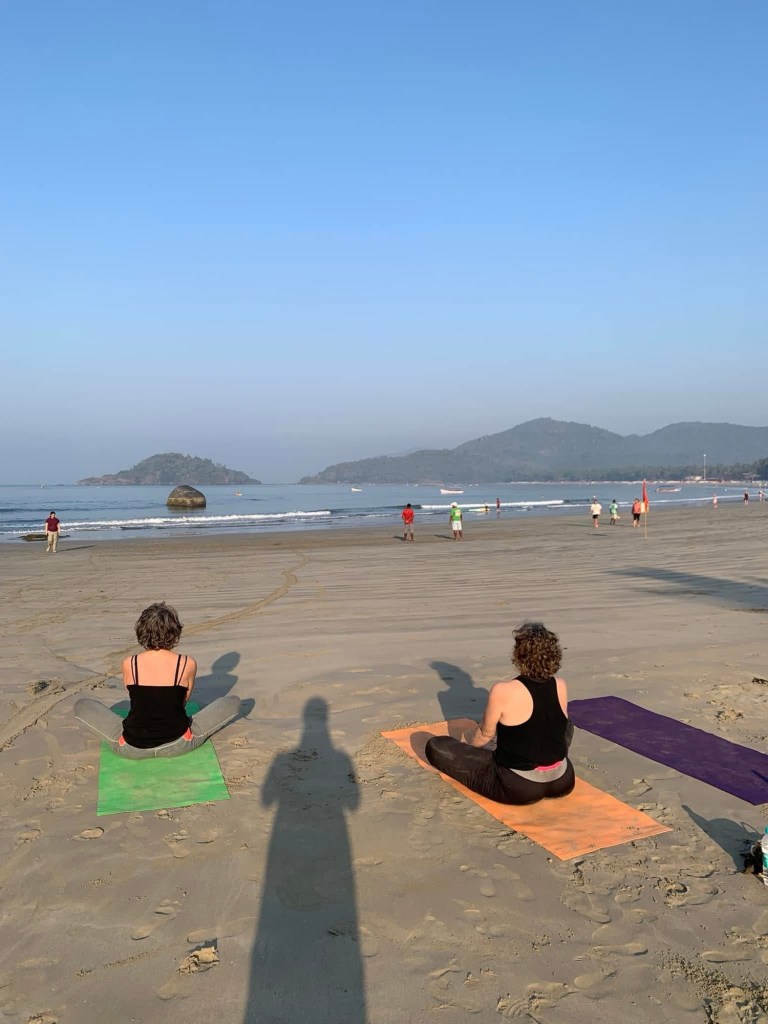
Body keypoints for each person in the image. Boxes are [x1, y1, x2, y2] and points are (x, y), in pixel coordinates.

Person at [425, 622, 575, 805]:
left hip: (519, 786)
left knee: (436, 745)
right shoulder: (560, 684)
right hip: (563, 779)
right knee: (566, 723)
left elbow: (484, 735)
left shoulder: (502, 690)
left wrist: (469, 750)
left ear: (519, 655)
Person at [74, 602, 241, 758]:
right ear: (174, 632)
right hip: (178, 743)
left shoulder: (130, 663)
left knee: (82, 705)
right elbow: (183, 702)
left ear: (141, 631)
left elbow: (136, 699)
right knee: (232, 702)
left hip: (132, 747)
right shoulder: (187, 663)